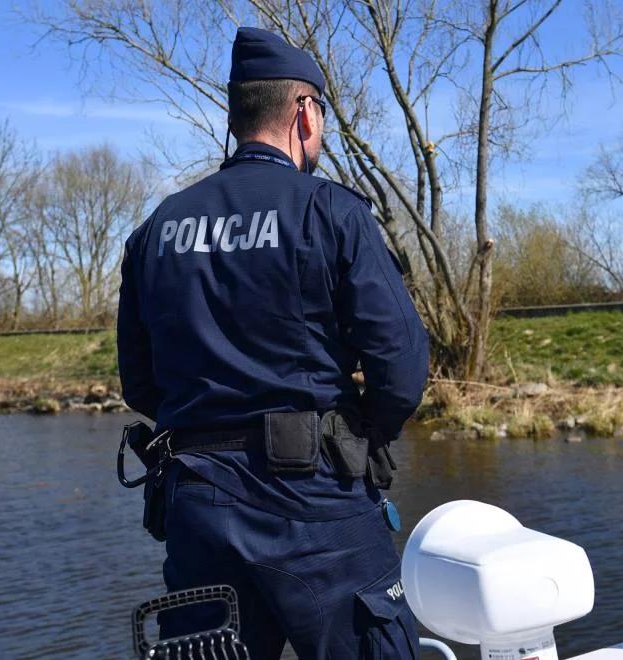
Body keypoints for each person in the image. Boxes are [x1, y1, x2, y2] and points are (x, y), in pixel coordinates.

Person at [116, 27, 429, 659]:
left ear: (236, 119)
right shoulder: (331, 212)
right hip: (317, 505)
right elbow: (401, 365)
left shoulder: (156, 229)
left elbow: (141, 383)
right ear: (305, 113)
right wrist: (360, 432)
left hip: (197, 506)